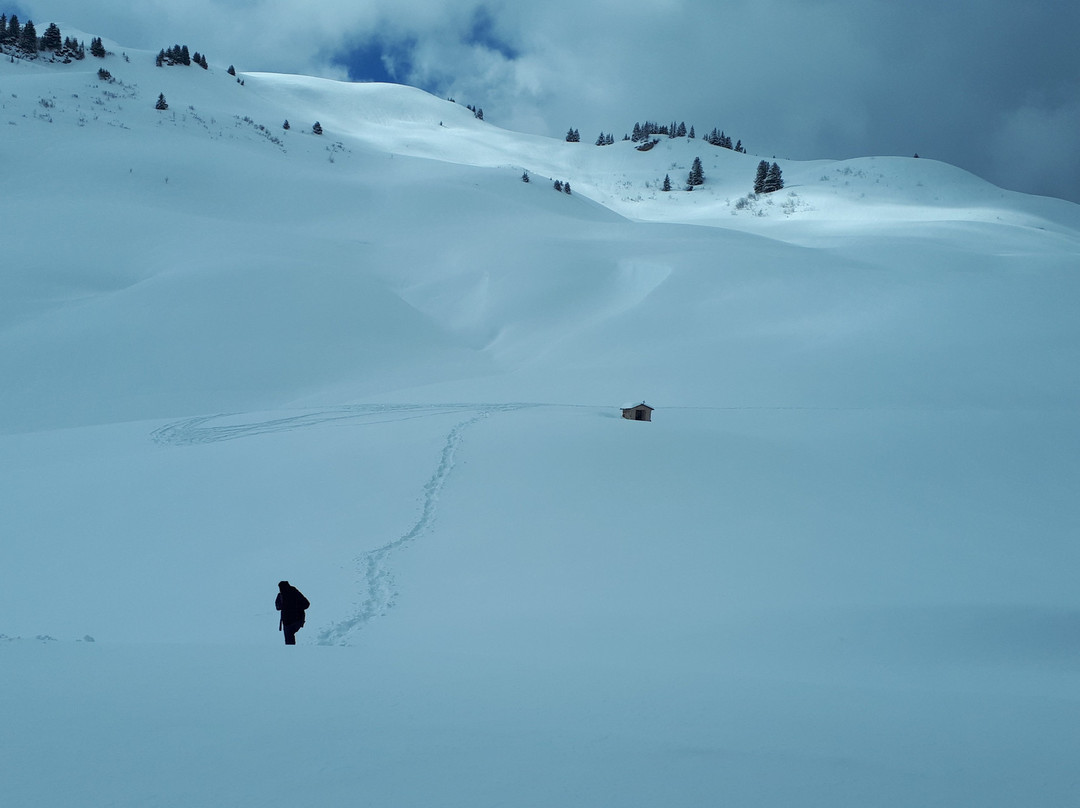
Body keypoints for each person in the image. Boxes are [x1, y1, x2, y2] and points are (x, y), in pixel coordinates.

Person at [275, 580, 310, 645]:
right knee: (290, 642)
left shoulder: (283, 595)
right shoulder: (294, 592)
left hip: (290, 622)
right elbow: (306, 604)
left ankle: (291, 651)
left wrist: (294, 607)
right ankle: (292, 650)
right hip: (296, 620)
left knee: (289, 643)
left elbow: (278, 607)